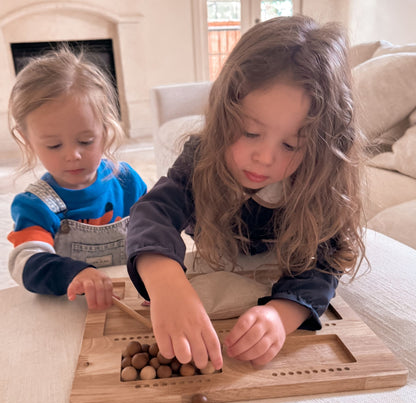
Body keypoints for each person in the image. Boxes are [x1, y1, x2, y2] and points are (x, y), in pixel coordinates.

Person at [126, 15, 366, 371]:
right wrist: (165, 281)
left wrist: (282, 315)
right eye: (251, 132)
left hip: (280, 268)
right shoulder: (201, 159)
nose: (265, 158)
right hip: (216, 260)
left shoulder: (316, 182)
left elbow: (325, 261)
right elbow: (152, 213)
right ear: (224, 116)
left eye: (290, 144)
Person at [7, 48, 147, 310]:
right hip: (72, 310)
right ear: (28, 140)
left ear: (105, 131)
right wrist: (74, 273)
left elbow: (154, 230)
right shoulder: (35, 205)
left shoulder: (127, 182)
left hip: (133, 297)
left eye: (86, 141)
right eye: (53, 145)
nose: (73, 155)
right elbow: (25, 263)